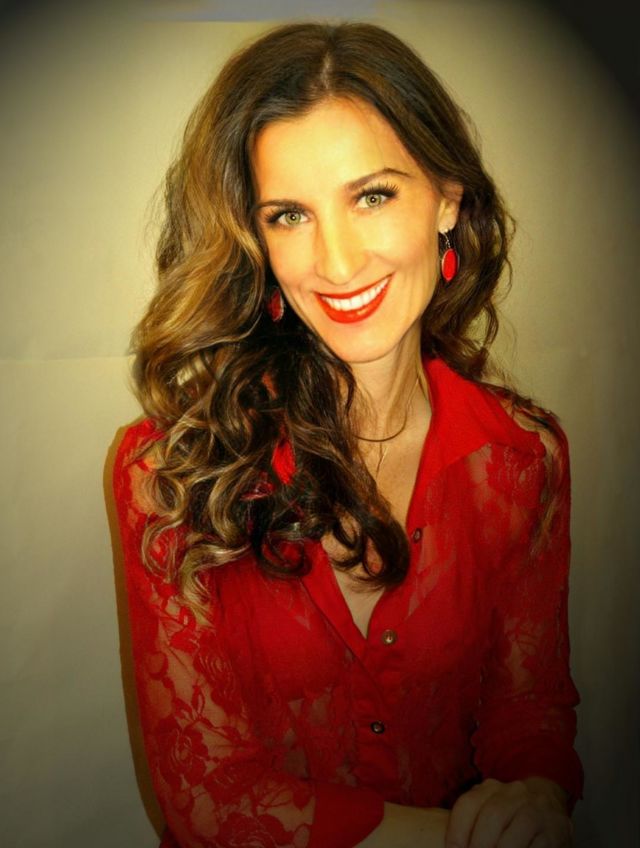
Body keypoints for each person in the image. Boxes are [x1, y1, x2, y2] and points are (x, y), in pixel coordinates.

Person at [112, 20, 583, 848]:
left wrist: (534, 798)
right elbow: (210, 800)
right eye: (290, 214)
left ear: (447, 198)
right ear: (256, 239)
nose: (335, 262)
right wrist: (456, 838)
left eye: (372, 196)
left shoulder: (521, 458)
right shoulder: (169, 473)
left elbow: (528, 706)